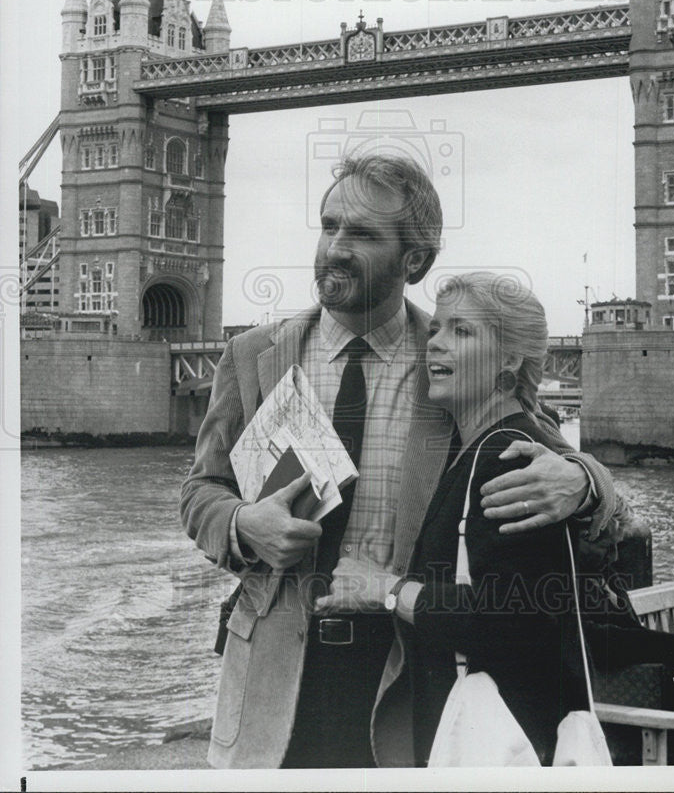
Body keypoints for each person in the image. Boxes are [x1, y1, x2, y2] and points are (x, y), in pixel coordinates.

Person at [180, 154, 622, 769]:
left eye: (361, 233)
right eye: (329, 225)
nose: (334, 247)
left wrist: (581, 481)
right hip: (273, 678)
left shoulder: (451, 363)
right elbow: (202, 490)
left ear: (414, 259)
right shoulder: (255, 355)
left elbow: (572, 468)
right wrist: (239, 524)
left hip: (405, 675)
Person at [319, 272, 674, 767]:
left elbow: (510, 620)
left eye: (462, 332)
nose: (437, 345)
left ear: (509, 360)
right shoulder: (487, 447)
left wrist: (384, 589)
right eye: (436, 329)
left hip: (496, 736)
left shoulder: (506, 458)